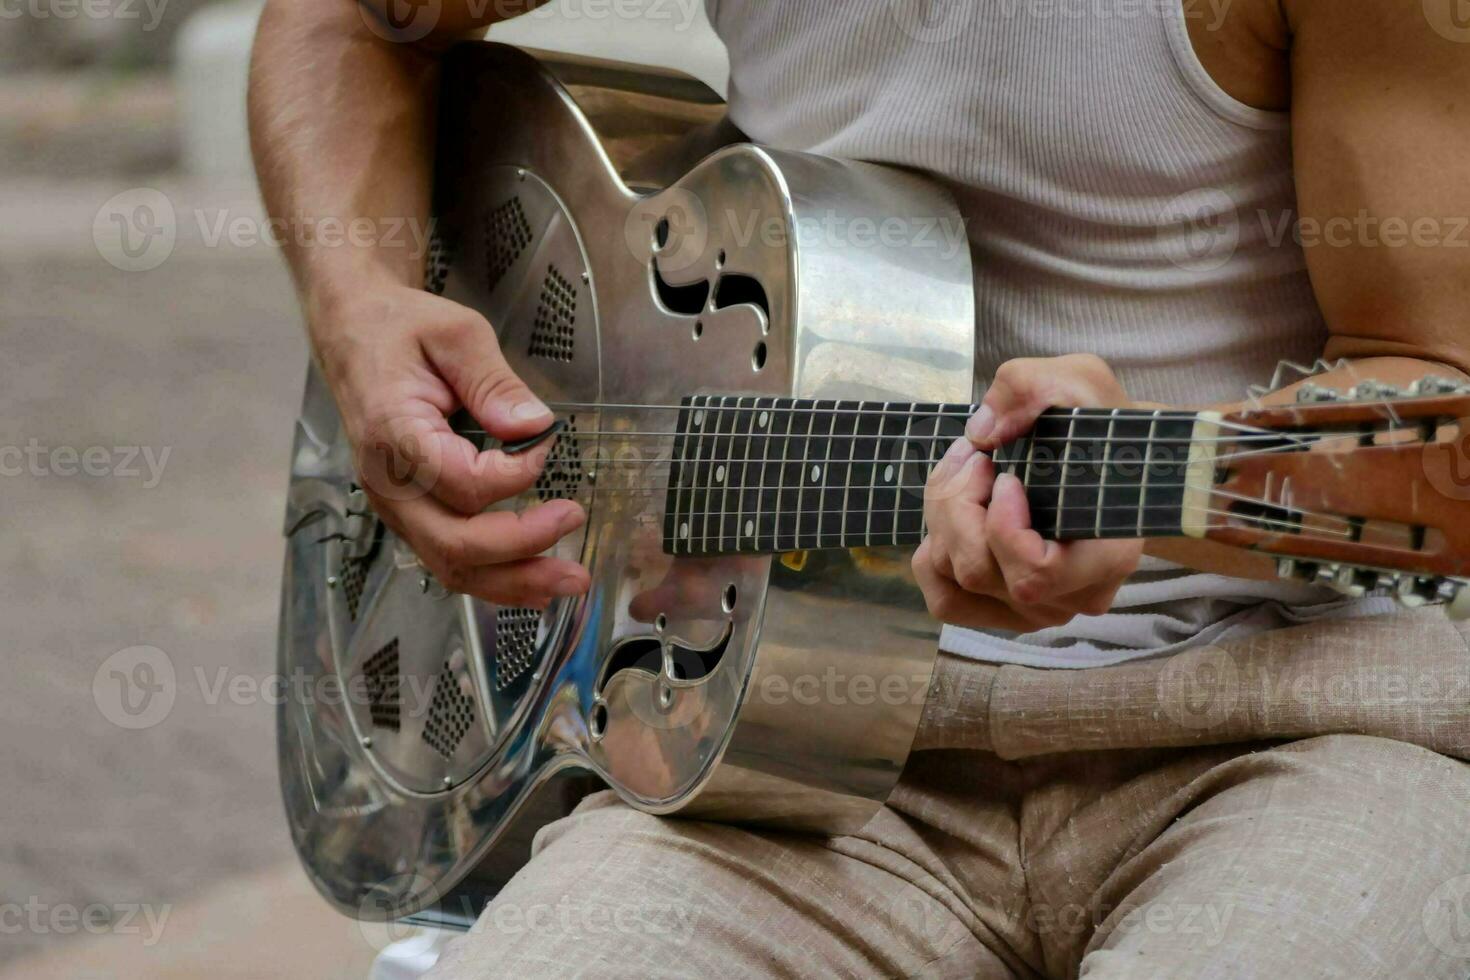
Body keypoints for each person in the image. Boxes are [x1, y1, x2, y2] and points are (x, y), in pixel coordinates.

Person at [248, 1, 1470, 976]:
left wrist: (1144, 506)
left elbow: (1443, 417)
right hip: (784, 762)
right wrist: (359, 313)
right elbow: (347, 21)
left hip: (1297, 728)